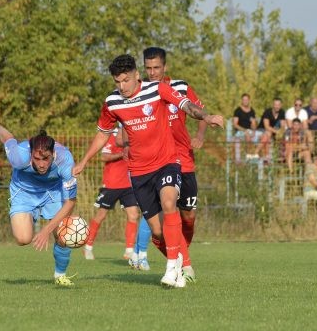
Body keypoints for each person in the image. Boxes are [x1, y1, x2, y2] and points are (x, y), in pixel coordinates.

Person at [73, 54, 223, 288]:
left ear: (136, 75)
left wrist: (207, 116)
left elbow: (188, 106)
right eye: (117, 82)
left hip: (167, 162)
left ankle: (173, 267)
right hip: (139, 171)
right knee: (158, 231)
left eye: (125, 80)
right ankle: (180, 261)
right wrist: (83, 161)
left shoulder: (158, 89)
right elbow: (103, 133)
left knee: (169, 202)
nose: (121, 86)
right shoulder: (112, 102)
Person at [127, 47, 208, 279]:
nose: (152, 73)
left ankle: (182, 255)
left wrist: (200, 136)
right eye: (148, 68)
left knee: (188, 217)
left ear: (165, 67)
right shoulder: (138, 92)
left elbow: (199, 111)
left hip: (185, 162)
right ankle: (182, 263)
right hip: (158, 164)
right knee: (164, 217)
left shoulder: (180, 88)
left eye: (157, 68)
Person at [0, 124, 79, 287]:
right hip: (23, 191)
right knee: (23, 238)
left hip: (53, 192)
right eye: (37, 159)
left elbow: (70, 202)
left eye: (45, 159)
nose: (41, 164)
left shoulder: (65, 161)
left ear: (53, 154)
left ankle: (60, 276)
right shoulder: (19, 156)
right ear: (30, 154)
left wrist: (46, 230)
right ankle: (28, 216)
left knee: (63, 234)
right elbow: (8, 138)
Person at [82, 127, 140, 261]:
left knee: (133, 215)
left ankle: (129, 251)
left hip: (128, 185)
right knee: (101, 215)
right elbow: (103, 157)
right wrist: (122, 154)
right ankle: (88, 247)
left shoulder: (132, 138)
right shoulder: (111, 137)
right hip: (111, 185)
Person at [232, 93, 261, 160]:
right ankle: (249, 155)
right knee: (247, 135)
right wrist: (244, 130)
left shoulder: (252, 111)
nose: (245, 101)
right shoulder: (237, 111)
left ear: (249, 100)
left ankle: (261, 156)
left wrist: (254, 131)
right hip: (240, 131)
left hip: (251, 130)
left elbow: (253, 123)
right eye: (244, 100)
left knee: (264, 136)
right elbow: (235, 124)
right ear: (242, 101)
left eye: (246, 99)